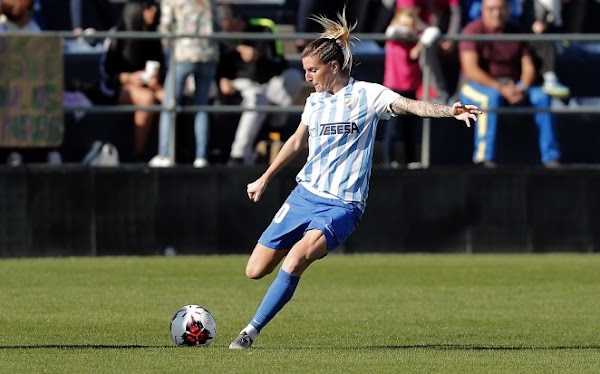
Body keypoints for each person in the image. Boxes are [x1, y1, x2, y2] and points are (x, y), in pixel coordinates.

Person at [227, 8, 481, 350]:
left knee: (296, 259)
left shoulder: (368, 95)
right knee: (255, 271)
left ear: (333, 67)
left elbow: (411, 105)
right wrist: (265, 178)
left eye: (312, 70)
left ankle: (249, 332)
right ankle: (270, 296)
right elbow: (296, 142)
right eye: (305, 70)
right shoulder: (315, 102)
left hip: (343, 205)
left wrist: (449, 110)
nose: (308, 78)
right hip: (304, 196)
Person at [458, 0, 560, 167]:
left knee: (541, 97)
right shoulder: (472, 31)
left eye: (501, 9)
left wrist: (522, 88)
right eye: (491, 9)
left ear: (508, 9)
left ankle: (551, 158)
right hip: (474, 87)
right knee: (489, 99)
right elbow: (471, 70)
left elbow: (528, 66)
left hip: (512, 86)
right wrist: (501, 88)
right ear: (483, 10)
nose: (496, 14)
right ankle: (484, 158)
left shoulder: (517, 31)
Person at [215, 4, 304, 165]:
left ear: (239, 21)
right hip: (240, 83)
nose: (226, 27)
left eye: (228, 23)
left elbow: (280, 64)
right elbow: (215, 66)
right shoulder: (220, 35)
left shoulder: (263, 28)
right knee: (257, 98)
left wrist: (258, 57)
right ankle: (239, 154)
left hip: (266, 82)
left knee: (293, 76)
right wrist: (221, 78)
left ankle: (277, 128)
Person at [148, 0, 219, 168]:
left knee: (169, 105)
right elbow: (219, 24)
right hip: (209, 55)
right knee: (201, 106)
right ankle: (201, 157)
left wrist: (167, 50)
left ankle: (165, 155)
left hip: (183, 53)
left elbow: (165, 27)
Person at [99, 0, 165, 161]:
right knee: (148, 100)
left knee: (168, 98)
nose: (153, 11)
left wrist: (155, 77)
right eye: (148, 7)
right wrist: (128, 78)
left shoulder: (153, 35)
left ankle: (168, 153)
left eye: (155, 6)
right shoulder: (119, 33)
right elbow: (107, 71)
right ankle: (138, 154)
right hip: (117, 88)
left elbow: (162, 65)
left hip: (148, 85)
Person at [382, 7, 441, 166]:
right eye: (403, 24)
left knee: (410, 128)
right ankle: (389, 162)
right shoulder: (394, 39)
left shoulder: (415, 40)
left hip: (410, 90)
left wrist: (419, 43)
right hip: (393, 90)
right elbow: (393, 31)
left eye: (410, 25)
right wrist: (410, 32)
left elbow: (433, 32)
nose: (407, 29)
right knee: (392, 127)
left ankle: (410, 160)